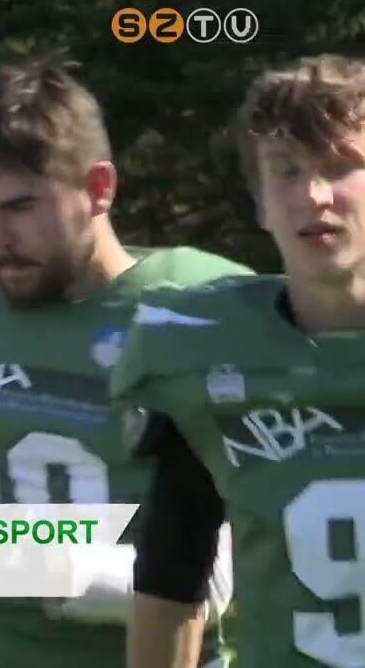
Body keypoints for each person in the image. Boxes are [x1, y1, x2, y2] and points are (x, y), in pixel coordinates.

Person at [0, 58, 245, 668]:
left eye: (21, 205)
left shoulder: (193, 311)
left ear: (99, 188)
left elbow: (218, 580)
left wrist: (42, 562)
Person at [117, 54, 365, 668]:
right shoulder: (209, 356)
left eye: (340, 167)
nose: (312, 195)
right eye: (286, 171)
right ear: (259, 203)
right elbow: (172, 575)